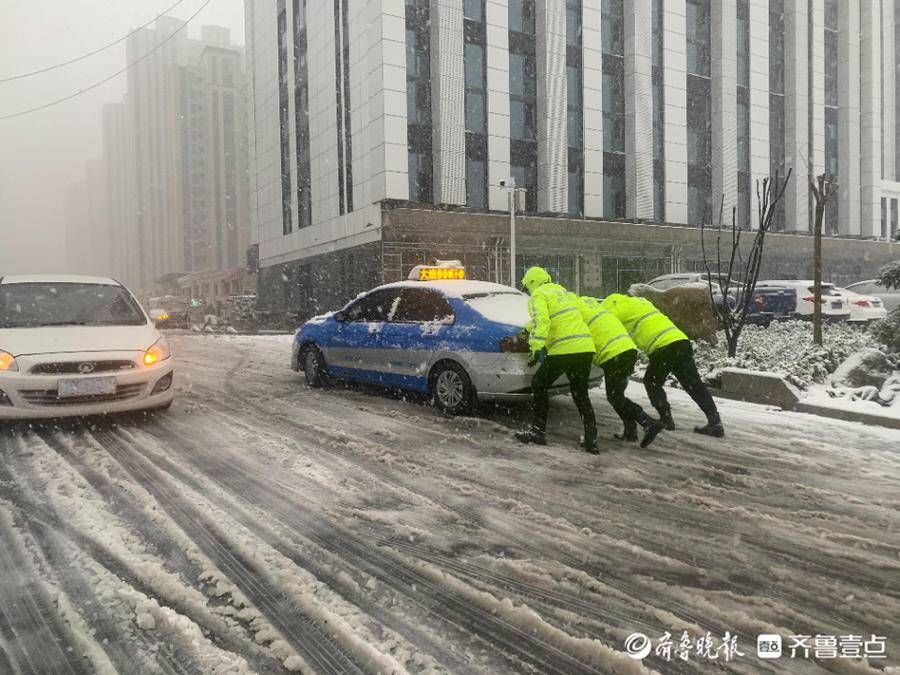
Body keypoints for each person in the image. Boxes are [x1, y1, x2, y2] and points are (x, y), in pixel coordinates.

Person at [600, 293, 725, 438]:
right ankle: (715, 422)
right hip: (680, 341)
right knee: (693, 384)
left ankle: (666, 419)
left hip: (663, 347)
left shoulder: (613, 311)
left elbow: (606, 328)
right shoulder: (641, 303)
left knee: (651, 381)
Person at [515, 267, 599, 452]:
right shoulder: (563, 292)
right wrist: (526, 330)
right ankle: (591, 439)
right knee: (580, 393)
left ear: (531, 284)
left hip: (564, 348)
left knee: (539, 384)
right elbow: (558, 317)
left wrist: (536, 347)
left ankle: (538, 432)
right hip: (585, 348)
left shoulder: (538, 295)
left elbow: (543, 321)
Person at [577, 296, 665, 448]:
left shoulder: (576, 313)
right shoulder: (596, 309)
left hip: (614, 355)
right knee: (618, 395)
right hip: (628, 351)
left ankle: (648, 422)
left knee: (615, 397)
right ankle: (631, 431)